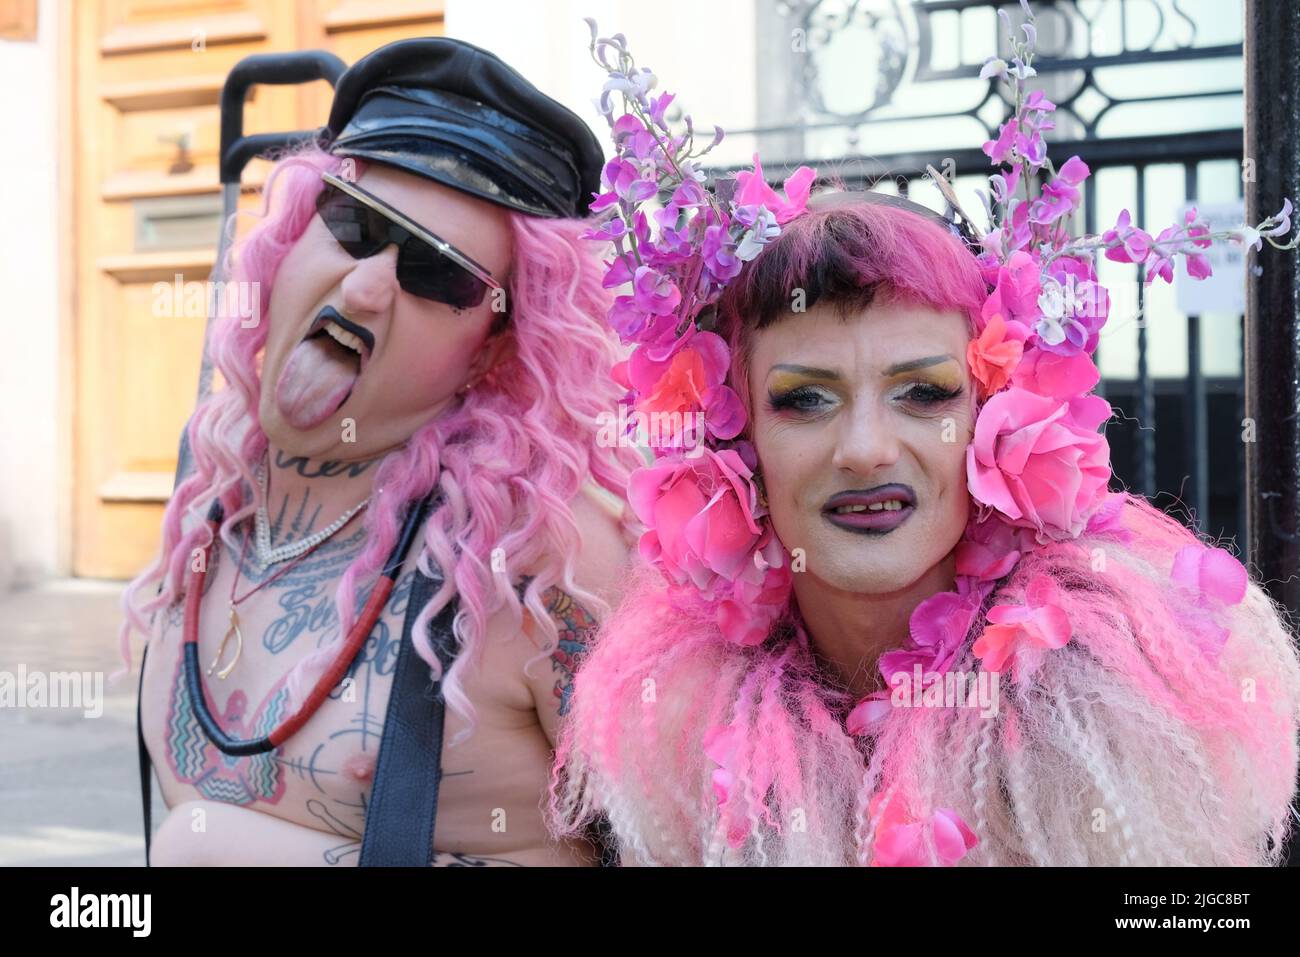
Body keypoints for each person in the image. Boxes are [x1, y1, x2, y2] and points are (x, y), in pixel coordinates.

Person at [552, 187, 1300, 866]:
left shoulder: (1113, 711)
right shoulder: (682, 718)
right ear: (735, 442)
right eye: (805, 400)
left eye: (925, 392)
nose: (867, 447)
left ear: (997, 414)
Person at [119, 37, 641, 866]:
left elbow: (684, 847)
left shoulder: (542, 560)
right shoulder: (210, 508)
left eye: (437, 275)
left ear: (493, 349)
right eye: (352, 224)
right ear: (289, 240)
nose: (366, 287)